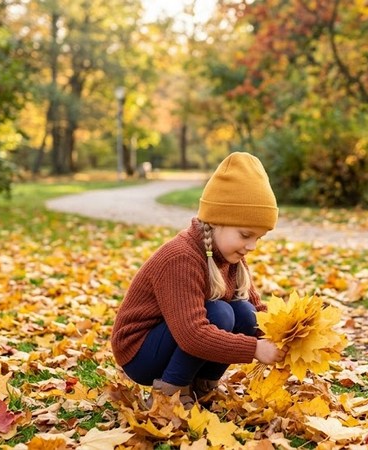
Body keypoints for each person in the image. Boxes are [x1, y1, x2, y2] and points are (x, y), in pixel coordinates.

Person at [111, 152, 287, 409]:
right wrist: (255, 349)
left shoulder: (230, 255)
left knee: (246, 313)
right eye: (245, 235)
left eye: (258, 238)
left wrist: (283, 334)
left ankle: (202, 387)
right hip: (140, 352)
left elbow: (257, 310)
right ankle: (169, 395)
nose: (251, 246)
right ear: (216, 221)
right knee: (220, 313)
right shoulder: (181, 257)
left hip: (176, 339)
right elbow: (192, 335)